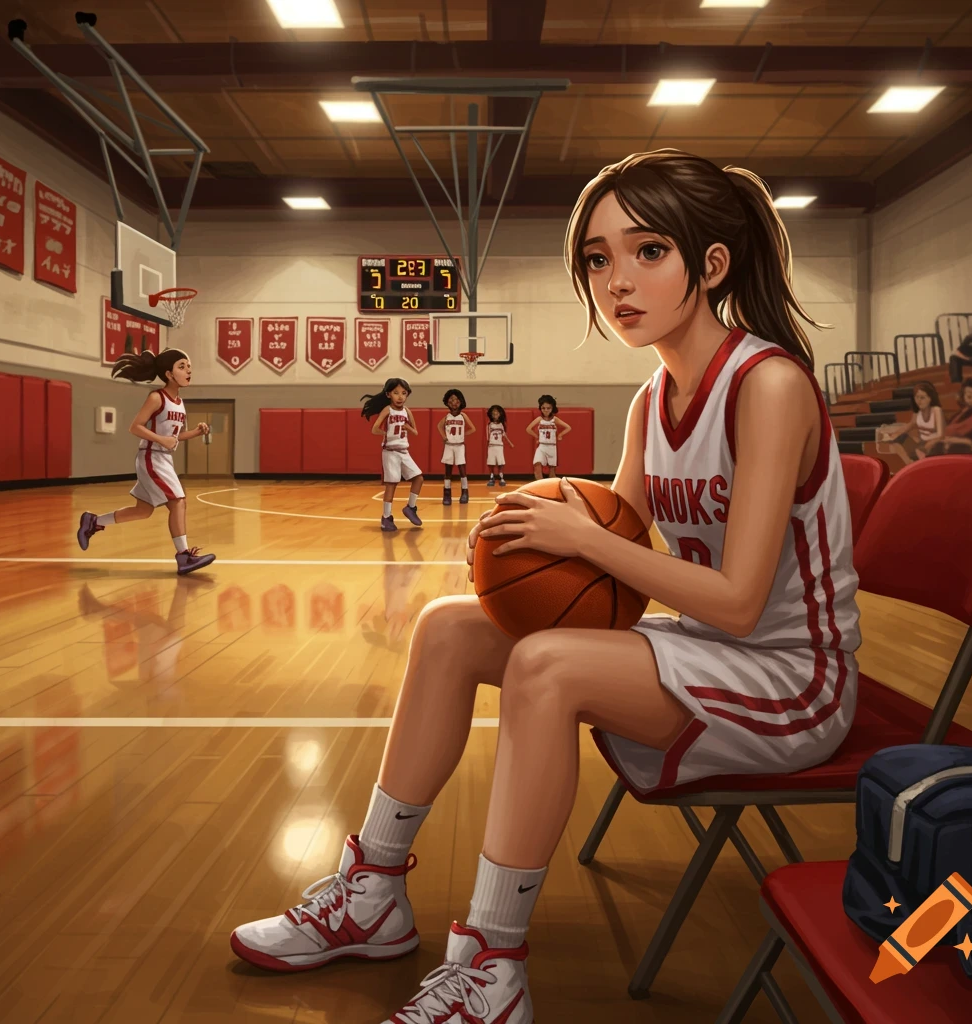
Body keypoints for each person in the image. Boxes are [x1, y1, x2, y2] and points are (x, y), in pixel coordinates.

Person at [228, 149, 860, 1024]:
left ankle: (491, 967)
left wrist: (577, 540)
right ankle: (371, 889)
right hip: (709, 655)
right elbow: (620, 559)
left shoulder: (771, 385)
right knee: (453, 625)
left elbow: (739, 601)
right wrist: (532, 543)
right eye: (598, 260)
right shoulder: (651, 401)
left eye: (647, 252)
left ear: (711, 264)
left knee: (549, 667)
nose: (615, 281)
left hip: (793, 679)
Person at [77, 349, 215, 575]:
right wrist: (161, 439)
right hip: (151, 457)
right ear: (169, 374)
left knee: (143, 511)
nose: (188, 370)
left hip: (163, 458)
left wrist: (195, 433)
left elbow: (174, 437)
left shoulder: (179, 403)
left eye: (189, 366)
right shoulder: (156, 397)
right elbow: (135, 427)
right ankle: (184, 557)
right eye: (182, 366)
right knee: (178, 501)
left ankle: (92, 521)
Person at [362, 378, 424, 532]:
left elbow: (415, 432)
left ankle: (410, 507)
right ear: (388, 394)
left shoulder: (407, 411)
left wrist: (407, 427)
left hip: (404, 451)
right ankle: (386, 517)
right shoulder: (387, 410)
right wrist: (385, 434)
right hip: (390, 452)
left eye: (403, 393)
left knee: (419, 478)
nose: (400, 396)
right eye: (396, 393)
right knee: (392, 484)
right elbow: (374, 429)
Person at [875, 382, 942, 466]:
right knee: (898, 439)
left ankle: (919, 462)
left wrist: (927, 445)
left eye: (922, 398)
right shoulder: (918, 412)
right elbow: (910, 425)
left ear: (930, 398)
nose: (919, 401)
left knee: (920, 448)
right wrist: (894, 435)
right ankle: (910, 463)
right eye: (917, 397)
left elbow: (941, 434)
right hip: (921, 442)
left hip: (933, 443)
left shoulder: (936, 411)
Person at [923, 377, 972, 455]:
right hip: (951, 440)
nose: (969, 395)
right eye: (966, 392)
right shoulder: (964, 410)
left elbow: (961, 430)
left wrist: (941, 439)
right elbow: (950, 427)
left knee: (937, 446)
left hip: (965, 443)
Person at [438, 389, 476, 505]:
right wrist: (444, 436)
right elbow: (439, 426)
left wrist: (463, 435)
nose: (454, 402)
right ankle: (447, 494)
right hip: (449, 446)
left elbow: (473, 428)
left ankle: (465, 492)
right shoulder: (447, 417)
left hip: (459, 446)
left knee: (462, 470)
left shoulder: (463, 416)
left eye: (456, 400)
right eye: (451, 400)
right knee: (448, 471)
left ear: (460, 402)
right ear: (447, 402)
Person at [526, 395, 571, 480]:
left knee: (552, 473)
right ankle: (539, 487)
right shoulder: (539, 419)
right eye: (543, 408)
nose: (546, 410)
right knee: (537, 465)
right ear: (540, 408)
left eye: (548, 408)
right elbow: (528, 429)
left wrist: (560, 435)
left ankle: (551, 490)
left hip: (552, 446)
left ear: (552, 408)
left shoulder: (554, 419)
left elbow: (568, 427)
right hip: (542, 446)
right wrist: (537, 437)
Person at [485, 405, 514, 487]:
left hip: (499, 446)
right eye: (493, 413)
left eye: (497, 413)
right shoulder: (489, 425)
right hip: (491, 446)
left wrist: (510, 443)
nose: (495, 414)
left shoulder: (501, 425)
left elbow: (504, 435)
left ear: (500, 414)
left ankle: (501, 477)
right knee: (491, 462)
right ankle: (491, 477)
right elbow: (487, 437)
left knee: (500, 462)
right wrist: (487, 446)